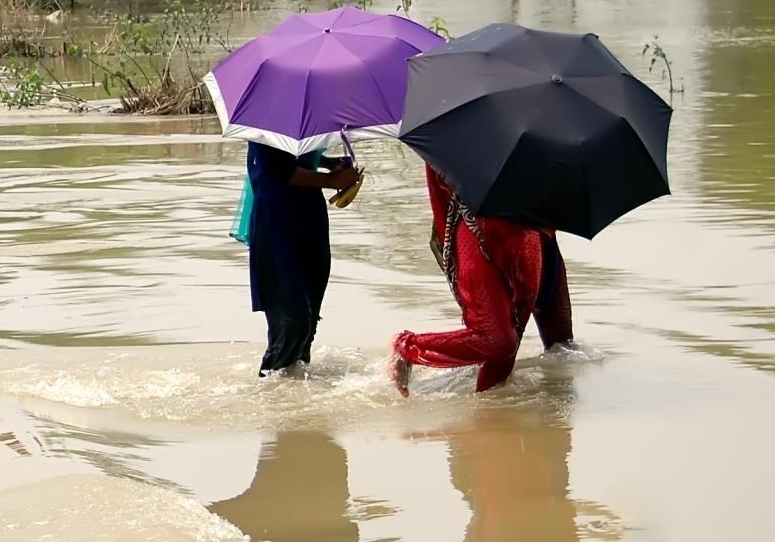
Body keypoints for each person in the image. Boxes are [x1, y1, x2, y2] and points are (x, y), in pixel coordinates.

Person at [388, 167, 575, 396]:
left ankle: (496, 419)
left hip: (533, 223)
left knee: (558, 350)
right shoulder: (454, 135)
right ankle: (407, 346)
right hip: (480, 224)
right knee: (498, 341)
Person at [245, 144, 357, 377]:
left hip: (309, 218)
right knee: (293, 321)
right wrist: (333, 181)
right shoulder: (266, 120)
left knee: (308, 320)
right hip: (276, 223)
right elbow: (277, 169)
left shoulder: (298, 113)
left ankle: (295, 399)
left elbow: (294, 150)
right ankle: (270, 388)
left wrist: (327, 162)